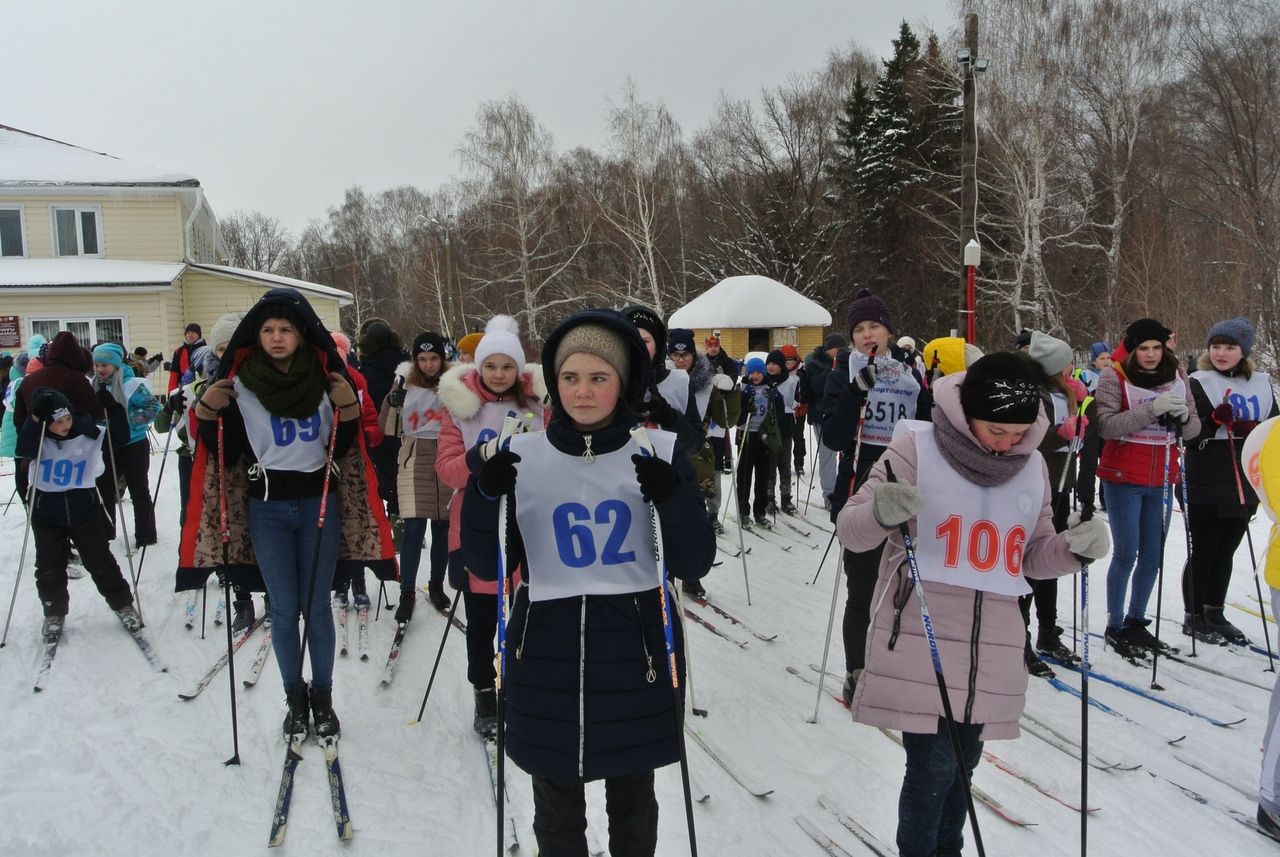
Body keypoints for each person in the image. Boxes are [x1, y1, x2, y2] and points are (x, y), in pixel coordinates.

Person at [461, 307, 714, 857]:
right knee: (555, 809)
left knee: (633, 802)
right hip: (544, 653)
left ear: (623, 382)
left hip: (637, 651)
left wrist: (672, 498)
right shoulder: (522, 455)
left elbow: (694, 561)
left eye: (599, 377)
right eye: (570, 377)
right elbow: (486, 567)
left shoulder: (657, 452)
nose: (582, 391)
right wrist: (484, 497)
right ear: (554, 382)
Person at [838, 352, 1110, 857]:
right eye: (996, 431)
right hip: (924, 637)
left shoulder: (1032, 467)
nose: (1009, 444)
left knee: (966, 766)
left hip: (994, 646)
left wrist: (1075, 549)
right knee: (932, 767)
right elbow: (851, 531)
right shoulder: (915, 446)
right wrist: (880, 510)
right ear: (967, 413)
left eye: (1019, 433)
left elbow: (1033, 554)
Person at [184, 287, 395, 741]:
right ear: (255, 336)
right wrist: (205, 412)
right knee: (282, 611)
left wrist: (350, 410)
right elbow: (227, 453)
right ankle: (293, 697)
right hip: (268, 510)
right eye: (267, 330)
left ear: (301, 336)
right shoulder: (240, 386)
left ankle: (323, 697)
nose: (277, 337)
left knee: (316, 609)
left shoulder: (325, 381)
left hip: (320, 505)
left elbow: (343, 447)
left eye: (285, 330)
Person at [437, 313, 548, 735]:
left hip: (529, 519)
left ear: (519, 369)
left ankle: (523, 685)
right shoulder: (460, 406)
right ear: (478, 367)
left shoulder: (539, 403)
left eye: (507, 366)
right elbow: (446, 470)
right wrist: (479, 460)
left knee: (530, 611)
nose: (499, 374)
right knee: (482, 617)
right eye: (490, 366)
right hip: (477, 523)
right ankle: (485, 689)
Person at [821, 288, 932, 704]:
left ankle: (893, 665)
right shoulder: (844, 370)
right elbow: (831, 436)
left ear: (889, 330)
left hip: (904, 485)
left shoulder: (908, 371)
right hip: (860, 488)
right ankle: (857, 669)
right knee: (862, 587)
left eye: (875, 326)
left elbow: (925, 426)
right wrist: (853, 393)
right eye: (860, 330)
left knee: (901, 586)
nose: (868, 335)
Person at [1096, 318, 1200, 661]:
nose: (1151, 355)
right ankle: (1115, 624)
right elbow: (1107, 426)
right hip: (1124, 475)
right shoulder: (1114, 375)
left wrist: (1184, 418)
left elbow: (1194, 429)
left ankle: (1136, 620)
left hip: (1161, 477)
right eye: (1143, 348)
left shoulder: (1177, 377)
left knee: (1153, 556)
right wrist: (1150, 410)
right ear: (1132, 349)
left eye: (1157, 347)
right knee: (1127, 553)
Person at [18, 388, 140, 641]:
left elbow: (119, 437)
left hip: (85, 510)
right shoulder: (36, 438)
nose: (65, 425)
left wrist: (115, 409)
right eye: (57, 421)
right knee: (49, 567)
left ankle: (123, 604)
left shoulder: (86, 431)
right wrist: (35, 420)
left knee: (100, 561)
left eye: (67, 418)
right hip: (46, 514)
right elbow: (23, 448)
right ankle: (54, 613)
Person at [1183, 317, 1276, 644]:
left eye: (1230, 347)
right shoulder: (1198, 382)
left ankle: (1214, 610)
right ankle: (1193, 615)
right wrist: (1212, 420)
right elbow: (1188, 433)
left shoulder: (1261, 383)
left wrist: (1253, 431)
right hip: (1207, 475)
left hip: (1243, 478)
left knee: (1227, 549)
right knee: (1205, 548)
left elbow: (1273, 429)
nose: (1221, 353)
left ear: (1243, 351)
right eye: (1216, 346)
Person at [1023, 331, 1096, 675]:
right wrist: (1062, 433)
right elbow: (1027, 443)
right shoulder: (1035, 396)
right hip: (1036, 490)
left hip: (1061, 487)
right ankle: (1018, 638)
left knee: (1052, 564)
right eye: (1067, 365)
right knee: (1029, 567)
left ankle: (1048, 632)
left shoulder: (1067, 394)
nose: (1073, 369)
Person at [381, 330, 453, 619]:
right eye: (422, 358)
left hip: (446, 457)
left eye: (434, 358)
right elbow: (388, 426)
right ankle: (407, 592)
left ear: (442, 357)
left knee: (443, 529)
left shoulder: (454, 382)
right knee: (413, 531)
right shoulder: (403, 381)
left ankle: (436, 584)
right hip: (414, 459)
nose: (428, 364)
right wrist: (393, 403)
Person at [667, 327, 737, 580]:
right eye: (675, 354)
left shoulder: (706, 383)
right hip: (666, 454)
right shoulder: (661, 380)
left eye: (685, 354)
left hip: (698, 453)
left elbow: (726, 418)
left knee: (692, 516)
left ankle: (692, 575)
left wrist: (733, 395)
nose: (681, 359)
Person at [13, 332, 104, 504]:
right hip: (75, 452)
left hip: (40, 450)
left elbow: (19, 419)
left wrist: (31, 436)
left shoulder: (29, 380)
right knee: (78, 502)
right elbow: (97, 414)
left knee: (45, 499)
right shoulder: (78, 379)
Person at [91, 342, 161, 547]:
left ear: (115, 364)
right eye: (97, 365)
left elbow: (152, 408)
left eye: (104, 365)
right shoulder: (94, 385)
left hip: (133, 442)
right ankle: (105, 534)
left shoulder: (132, 383)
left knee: (139, 490)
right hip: (106, 444)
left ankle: (146, 536)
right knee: (104, 490)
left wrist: (126, 421)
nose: (100, 370)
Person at [356, 319, 409, 537]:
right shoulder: (406, 366)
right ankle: (399, 519)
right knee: (401, 476)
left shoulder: (365, 371)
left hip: (377, 432)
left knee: (380, 478)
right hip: (405, 430)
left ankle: (384, 524)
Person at [736, 357, 781, 527]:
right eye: (752, 372)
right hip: (746, 435)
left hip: (764, 437)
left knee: (763, 478)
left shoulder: (769, 388)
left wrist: (776, 397)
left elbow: (780, 411)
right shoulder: (742, 388)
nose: (755, 376)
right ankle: (743, 512)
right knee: (744, 477)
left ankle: (760, 512)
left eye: (758, 372)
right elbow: (735, 417)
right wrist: (743, 400)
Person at [805, 333, 847, 506]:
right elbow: (814, 386)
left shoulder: (846, 362)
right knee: (827, 454)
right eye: (836, 349)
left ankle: (845, 489)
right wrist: (833, 372)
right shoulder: (814, 362)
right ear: (829, 348)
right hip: (821, 414)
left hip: (842, 412)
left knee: (846, 453)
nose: (839, 353)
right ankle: (830, 493)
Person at [764, 349, 800, 514]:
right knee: (769, 464)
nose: (771, 367)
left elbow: (797, 400)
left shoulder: (791, 381)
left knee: (784, 463)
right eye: (769, 364)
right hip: (769, 428)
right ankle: (769, 498)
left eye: (775, 364)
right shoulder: (764, 381)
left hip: (785, 427)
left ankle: (786, 497)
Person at [704, 334, 738, 473]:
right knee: (709, 431)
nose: (713, 349)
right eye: (710, 346)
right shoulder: (703, 361)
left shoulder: (727, 361)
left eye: (715, 346)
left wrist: (725, 385)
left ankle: (727, 458)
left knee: (723, 428)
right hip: (707, 399)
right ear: (706, 346)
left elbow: (733, 377)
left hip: (723, 398)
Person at [167, 323, 206, 392]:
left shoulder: (206, 350)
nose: (190, 335)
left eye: (193, 332)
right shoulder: (179, 351)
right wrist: (171, 392)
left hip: (202, 387)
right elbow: (174, 374)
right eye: (188, 333)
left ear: (199, 335)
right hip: (184, 388)